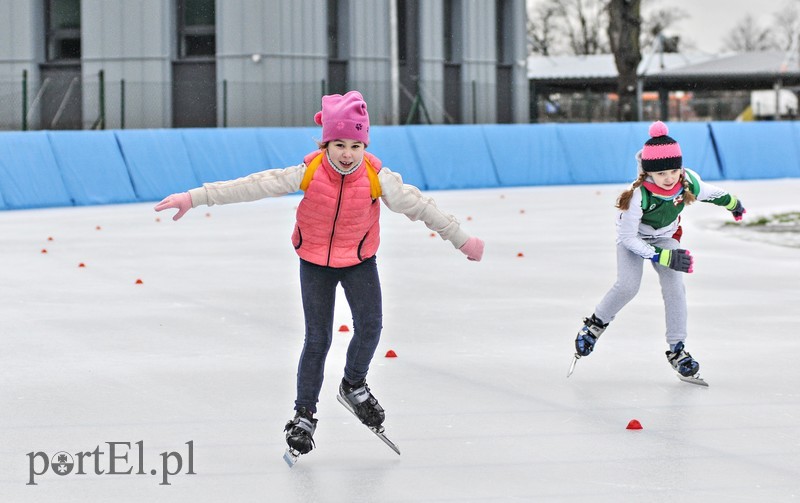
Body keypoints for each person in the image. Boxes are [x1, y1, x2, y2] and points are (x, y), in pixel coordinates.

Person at [155, 91, 484, 457]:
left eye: (355, 145)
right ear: (325, 143)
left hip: (359, 261)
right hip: (314, 263)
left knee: (371, 327)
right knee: (317, 339)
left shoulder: (379, 180)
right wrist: (195, 197)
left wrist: (461, 239)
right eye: (339, 144)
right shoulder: (309, 172)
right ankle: (304, 415)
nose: (347, 153)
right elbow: (251, 185)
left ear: (364, 145)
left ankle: (354, 386)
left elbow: (423, 208)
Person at [573, 121, 745, 379]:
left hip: (666, 237)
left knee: (675, 287)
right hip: (634, 240)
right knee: (628, 286)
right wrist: (661, 255)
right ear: (649, 173)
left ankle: (677, 350)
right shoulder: (636, 196)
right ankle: (595, 325)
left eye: (674, 170)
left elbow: (713, 193)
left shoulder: (688, 182)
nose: (669, 178)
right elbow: (628, 238)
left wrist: (734, 204)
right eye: (662, 173)